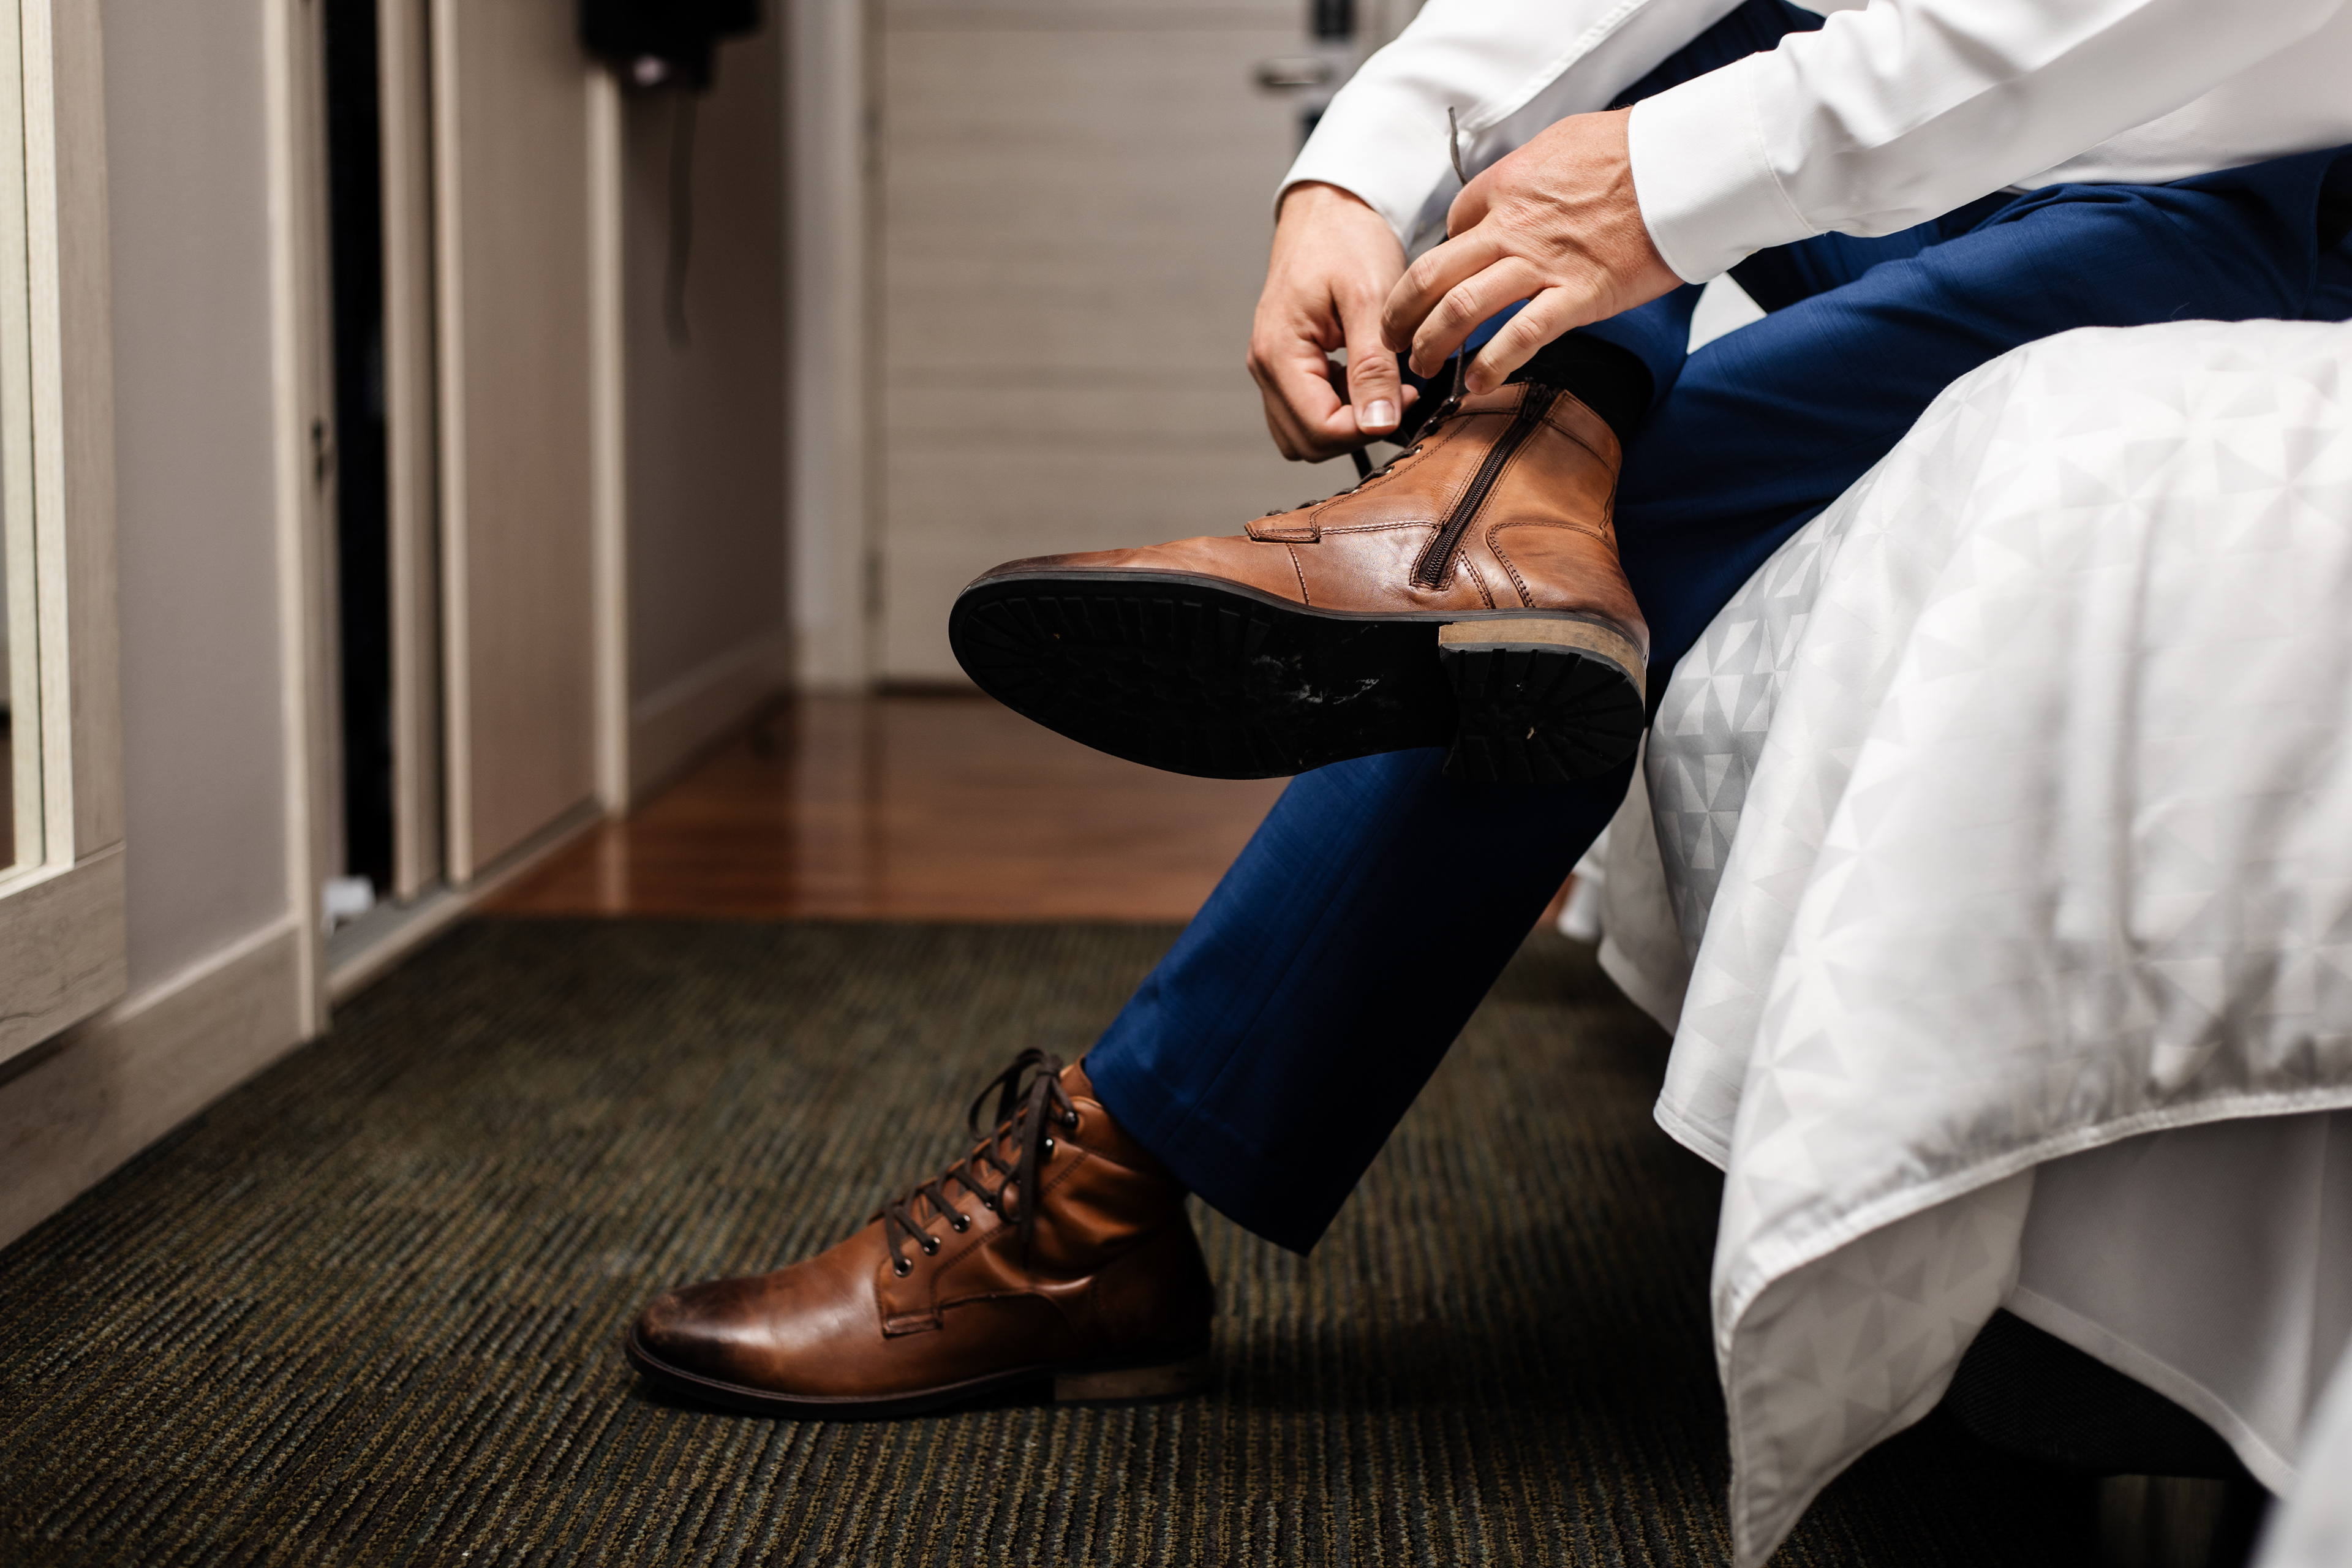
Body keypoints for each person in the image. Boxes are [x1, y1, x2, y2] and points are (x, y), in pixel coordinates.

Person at [623, 0, 2352, 1416]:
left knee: (1610, 536)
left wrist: (1667, 182)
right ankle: (1497, 486)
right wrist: (1355, 173)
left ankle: (1092, 1205)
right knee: (1616, 248)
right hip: (1972, 155)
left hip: (2252, 178)